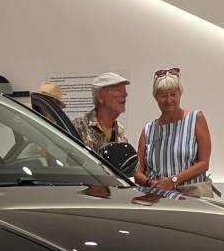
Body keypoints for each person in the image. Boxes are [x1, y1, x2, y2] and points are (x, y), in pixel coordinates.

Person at [134, 68, 213, 197]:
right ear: (156, 98)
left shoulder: (196, 119)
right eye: (163, 95)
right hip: (158, 197)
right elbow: (138, 173)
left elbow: (204, 163)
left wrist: (173, 180)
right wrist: (151, 183)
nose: (168, 100)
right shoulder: (148, 130)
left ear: (180, 94)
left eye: (173, 94)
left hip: (191, 196)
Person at [71, 72, 129, 153]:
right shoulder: (78, 126)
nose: (125, 94)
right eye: (118, 90)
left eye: (124, 91)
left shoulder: (120, 130)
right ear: (100, 97)